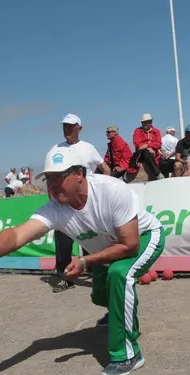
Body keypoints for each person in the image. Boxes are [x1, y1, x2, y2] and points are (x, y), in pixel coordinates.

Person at [0, 146, 165, 375]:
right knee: (101, 296)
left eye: (59, 177)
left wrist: (84, 261)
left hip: (145, 238)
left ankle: (128, 355)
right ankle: (121, 316)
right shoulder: (55, 209)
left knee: (119, 274)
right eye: (49, 179)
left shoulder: (112, 190)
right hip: (109, 248)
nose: (52, 185)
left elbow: (130, 245)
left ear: (79, 174)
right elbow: (15, 236)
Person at [50, 113, 111, 293]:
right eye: (64, 126)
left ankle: (95, 270)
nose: (66, 130)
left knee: (95, 236)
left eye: (70, 126)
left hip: (88, 201)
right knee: (63, 239)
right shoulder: (56, 149)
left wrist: (102, 188)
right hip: (65, 202)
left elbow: (105, 169)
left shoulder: (88, 148)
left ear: (79, 128)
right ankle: (64, 277)